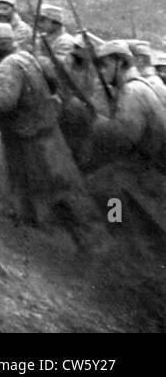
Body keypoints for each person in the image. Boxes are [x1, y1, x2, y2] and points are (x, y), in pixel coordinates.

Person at [0, 22, 106, 252]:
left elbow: (4, 101)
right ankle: (24, 217)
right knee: (25, 179)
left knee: (61, 189)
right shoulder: (24, 57)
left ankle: (94, 242)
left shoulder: (9, 66)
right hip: (31, 132)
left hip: (34, 137)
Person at [75, 40, 166, 242]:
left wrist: (98, 123)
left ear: (120, 63)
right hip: (146, 161)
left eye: (105, 65)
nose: (101, 71)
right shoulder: (136, 87)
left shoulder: (132, 91)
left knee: (103, 187)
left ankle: (119, 234)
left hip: (151, 169)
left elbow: (122, 139)